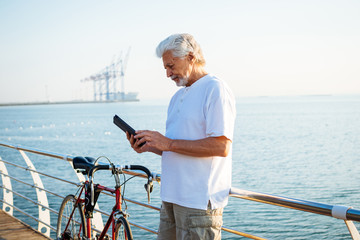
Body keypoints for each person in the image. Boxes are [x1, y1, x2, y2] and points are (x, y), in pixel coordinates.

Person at [127, 33, 236, 240]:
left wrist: (167, 142)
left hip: (198, 204)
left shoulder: (215, 88)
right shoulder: (177, 97)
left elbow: (221, 146)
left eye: (171, 66)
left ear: (191, 57)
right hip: (170, 199)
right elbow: (175, 147)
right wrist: (149, 146)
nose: (168, 74)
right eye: (165, 68)